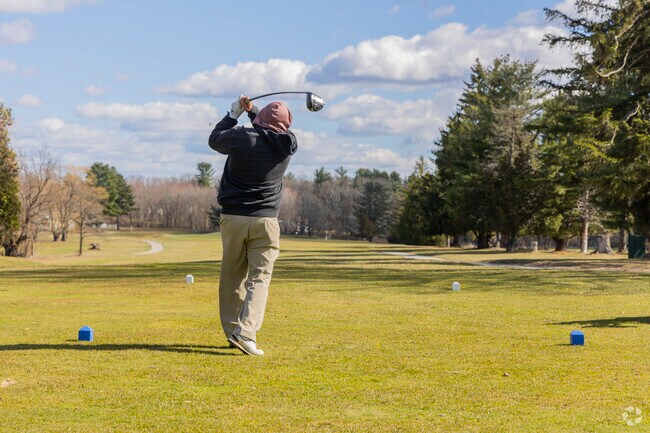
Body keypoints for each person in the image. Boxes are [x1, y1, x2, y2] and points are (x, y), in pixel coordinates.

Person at [208, 95, 297, 356]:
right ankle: (245, 333)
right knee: (259, 278)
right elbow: (272, 130)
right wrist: (254, 112)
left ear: (258, 122)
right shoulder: (286, 144)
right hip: (265, 220)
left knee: (232, 276)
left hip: (233, 217)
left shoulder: (242, 137)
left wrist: (233, 113)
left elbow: (215, 139)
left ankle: (233, 331)